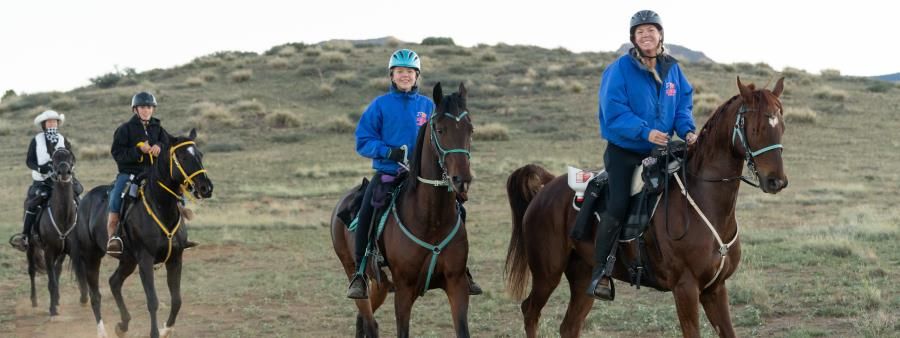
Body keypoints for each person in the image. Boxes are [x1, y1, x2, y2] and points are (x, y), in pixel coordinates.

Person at [346, 49, 482, 299]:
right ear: (392, 75)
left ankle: (463, 270)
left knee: (457, 209)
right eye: (400, 72)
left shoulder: (428, 106)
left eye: (409, 72)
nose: (405, 76)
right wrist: (388, 152)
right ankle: (360, 273)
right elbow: (362, 141)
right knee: (368, 210)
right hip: (390, 173)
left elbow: (442, 137)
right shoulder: (380, 105)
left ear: (417, 75)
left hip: (424, 177)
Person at [589, 10, 698, 300]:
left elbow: (683, 104)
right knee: (619, 202)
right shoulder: (619, 69)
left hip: (660, 149)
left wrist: (687, 130)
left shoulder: (672, 69)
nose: (646, 35)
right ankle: (601, 272)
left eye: (651, 30)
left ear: (661, 34)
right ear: (633, 38)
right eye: (640, 32)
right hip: (625, 151)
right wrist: (644, 131)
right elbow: (613, 112)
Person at [106, 92, 170, 257]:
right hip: (130, 174)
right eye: (142, 107)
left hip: (154, 174)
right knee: (116, 198)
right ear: (135, 109)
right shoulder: (124, 129)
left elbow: (168, 144)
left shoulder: (159, 128)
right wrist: (137, 150)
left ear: (153, 109)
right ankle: (113, 237)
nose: (146, 110)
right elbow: (117, 153)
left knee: (174, 192)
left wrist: (160, 147)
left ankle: (178, 234)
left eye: (149, 107)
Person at [10, 110, 82, 251]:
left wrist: (68, 167)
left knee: (79, 195)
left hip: (62, 180)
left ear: (57, 123)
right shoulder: (36, 140)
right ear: (44, 125)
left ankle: (83, 232)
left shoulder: (62, 139)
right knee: (33, 204)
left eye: (54, 121)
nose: (52, 124)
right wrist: (39, 168)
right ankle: (25, 236)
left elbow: (72, 157)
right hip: (42, 181)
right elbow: (29, 161)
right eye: (49, 122)